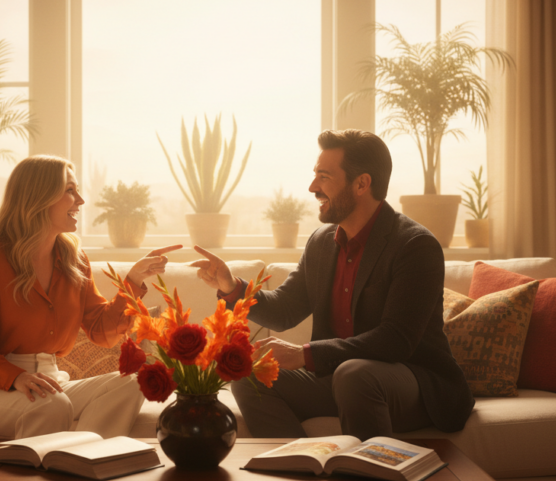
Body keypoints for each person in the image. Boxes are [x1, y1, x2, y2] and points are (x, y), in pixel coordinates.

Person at [192, 129, 473, 440]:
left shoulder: (414, 245)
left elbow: (397, 339)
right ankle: (297, 466)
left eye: (324, 177)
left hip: (412, 384)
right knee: (249, 374)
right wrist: (231, 287)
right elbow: (285, 309)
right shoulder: (322, 242)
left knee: (354, 375)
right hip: (339, 378)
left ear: (362, 184)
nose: (313, 187)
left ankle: (370, 479)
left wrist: (304, 354)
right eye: (315, 175)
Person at [0, 155, 180, 440]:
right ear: (39, 197)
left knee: (134, 383)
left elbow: (101, 332)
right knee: (52, 405)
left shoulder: (74, 259)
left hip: (50, 380)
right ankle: (58, 467)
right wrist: (16, 377)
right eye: (70, 190)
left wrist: (133, 280)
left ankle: (84, 458)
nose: (81, 200)